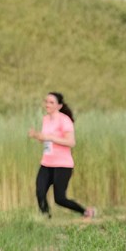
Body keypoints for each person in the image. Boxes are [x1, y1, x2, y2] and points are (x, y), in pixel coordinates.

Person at [30, 90, 95, 219]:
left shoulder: (65, 120)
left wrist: (50, 137)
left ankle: (86, 212)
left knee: (60, 199)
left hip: (62, 165)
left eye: (51, 102)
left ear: (59, 106)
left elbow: (71, 142)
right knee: (40, 192)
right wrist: (37, 136)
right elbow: (46, 139)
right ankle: (46, 219)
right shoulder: (45, 119)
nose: (47, 104)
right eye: (46, 101)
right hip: (46, 163)